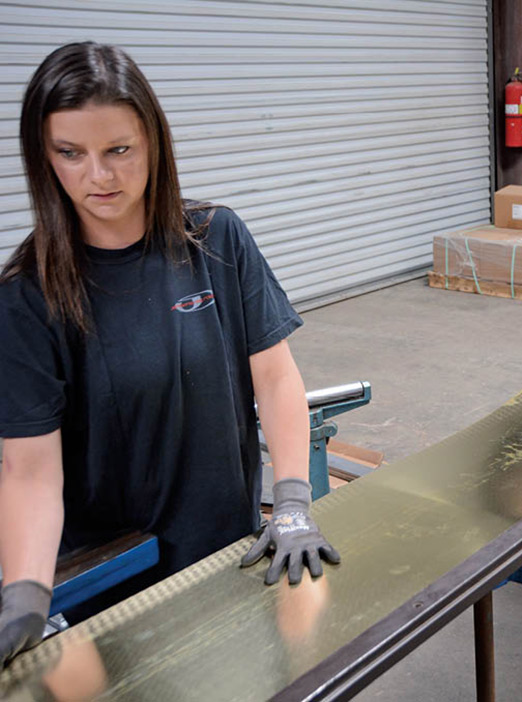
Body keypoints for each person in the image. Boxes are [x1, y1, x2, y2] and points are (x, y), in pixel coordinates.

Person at [0, 42, 340, 668]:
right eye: (70, 154)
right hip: (111, 580)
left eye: (119, 150)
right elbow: (29, 469)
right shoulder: (28, 296)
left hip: (229, 556)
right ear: (43, 158)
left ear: (154, 143)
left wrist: (291, 502)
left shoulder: (215, 239)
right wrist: (24, 592)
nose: (98, 176)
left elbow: (274, 373)